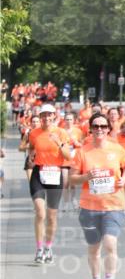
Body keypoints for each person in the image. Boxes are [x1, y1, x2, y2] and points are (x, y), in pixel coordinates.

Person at [68, 112, 125, 279]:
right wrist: (86, 177)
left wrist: (123, 177)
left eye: (103, 126)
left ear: (108, 129)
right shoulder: (83, 152)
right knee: (94, 249)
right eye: (96, 126)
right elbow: (72, 178)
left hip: (114, 205)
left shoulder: (117, 149)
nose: (100, 129)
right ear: (91, 129)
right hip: (89, 207)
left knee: (110, 244)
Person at [27, 104, 73, 263]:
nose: (46, 118)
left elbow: (68, 156)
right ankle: (39, 249)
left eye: (49, 115)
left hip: (55, 174)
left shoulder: (61, 133)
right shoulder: (34, 133)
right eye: (43, 115)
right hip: (39, 173)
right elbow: (31, 148)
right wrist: (31, 156)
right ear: (40, 117)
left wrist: (59, 142)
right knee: (40, 212)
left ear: (54, 116)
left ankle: (48, 247)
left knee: (52, 216)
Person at [61, 111, 85, 210]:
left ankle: (74, 200)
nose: (69, 121)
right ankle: (65, 203)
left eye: (71, 119)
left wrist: (76, 144)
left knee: (73, 182)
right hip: (64, 159)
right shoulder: (61, 131)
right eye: (67, 119)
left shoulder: (78, 131)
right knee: (65, 182)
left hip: (74, 158)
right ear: (64, 120)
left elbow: (82, 144)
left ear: (74, 120)